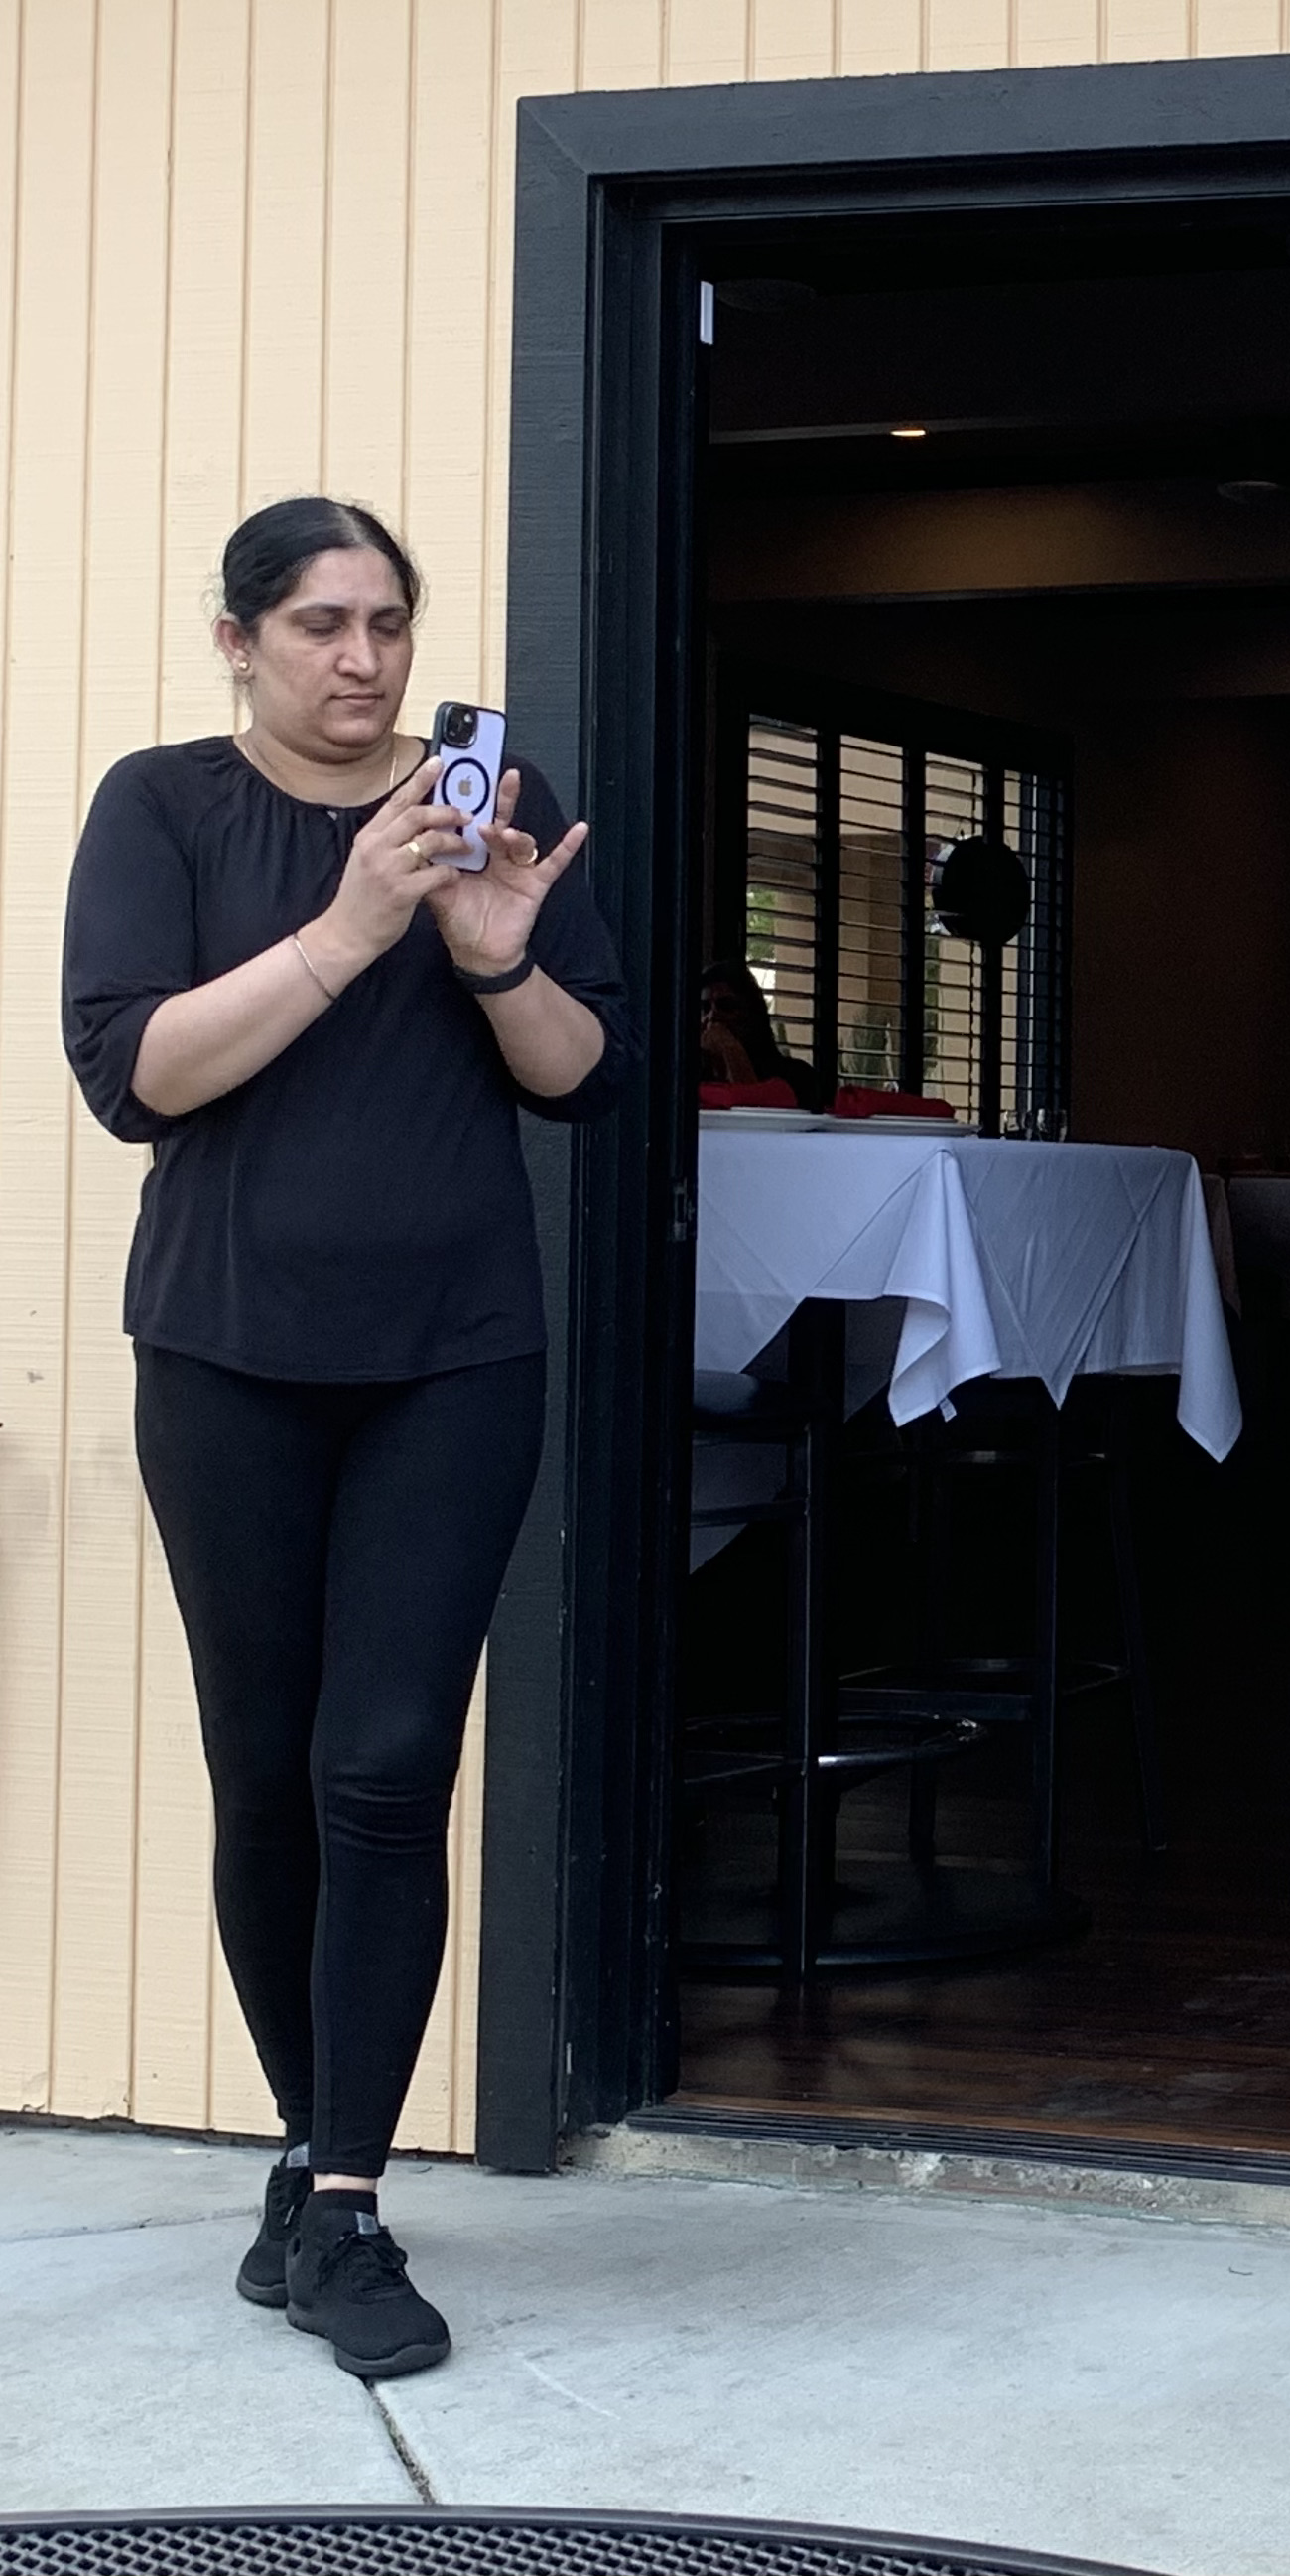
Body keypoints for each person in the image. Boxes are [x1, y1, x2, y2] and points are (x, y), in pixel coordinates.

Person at [58, 497, 632, 2380]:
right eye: (320, 623)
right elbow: (136, 1074)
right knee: (266, 1774)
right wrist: (353, 922)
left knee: (385, 1770)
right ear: (240, 639)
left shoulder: (491, 806)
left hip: (451, 1361)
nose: (364, 659)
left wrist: (491, 950)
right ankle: (314, 2159)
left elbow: (582, 1078)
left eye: (389, 621)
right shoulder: (162, 809)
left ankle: (352, 2205)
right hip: (223, 1355)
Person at [695, 958, 832, 1110]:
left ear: (751, 1014)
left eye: (726, 1006)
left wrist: (730, 1049)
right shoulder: (687, 1077)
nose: (712, 1016)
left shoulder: (797, 1077)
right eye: (705, 1008)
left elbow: (753, 1115)